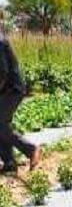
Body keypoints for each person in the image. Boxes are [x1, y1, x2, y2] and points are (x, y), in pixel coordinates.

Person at [0, 34, 40, 173]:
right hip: (6, 90)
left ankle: (30, 149)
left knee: (0, 123)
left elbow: (3, 72)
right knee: (2, 125)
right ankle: (9, 162)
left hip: (13, 89)